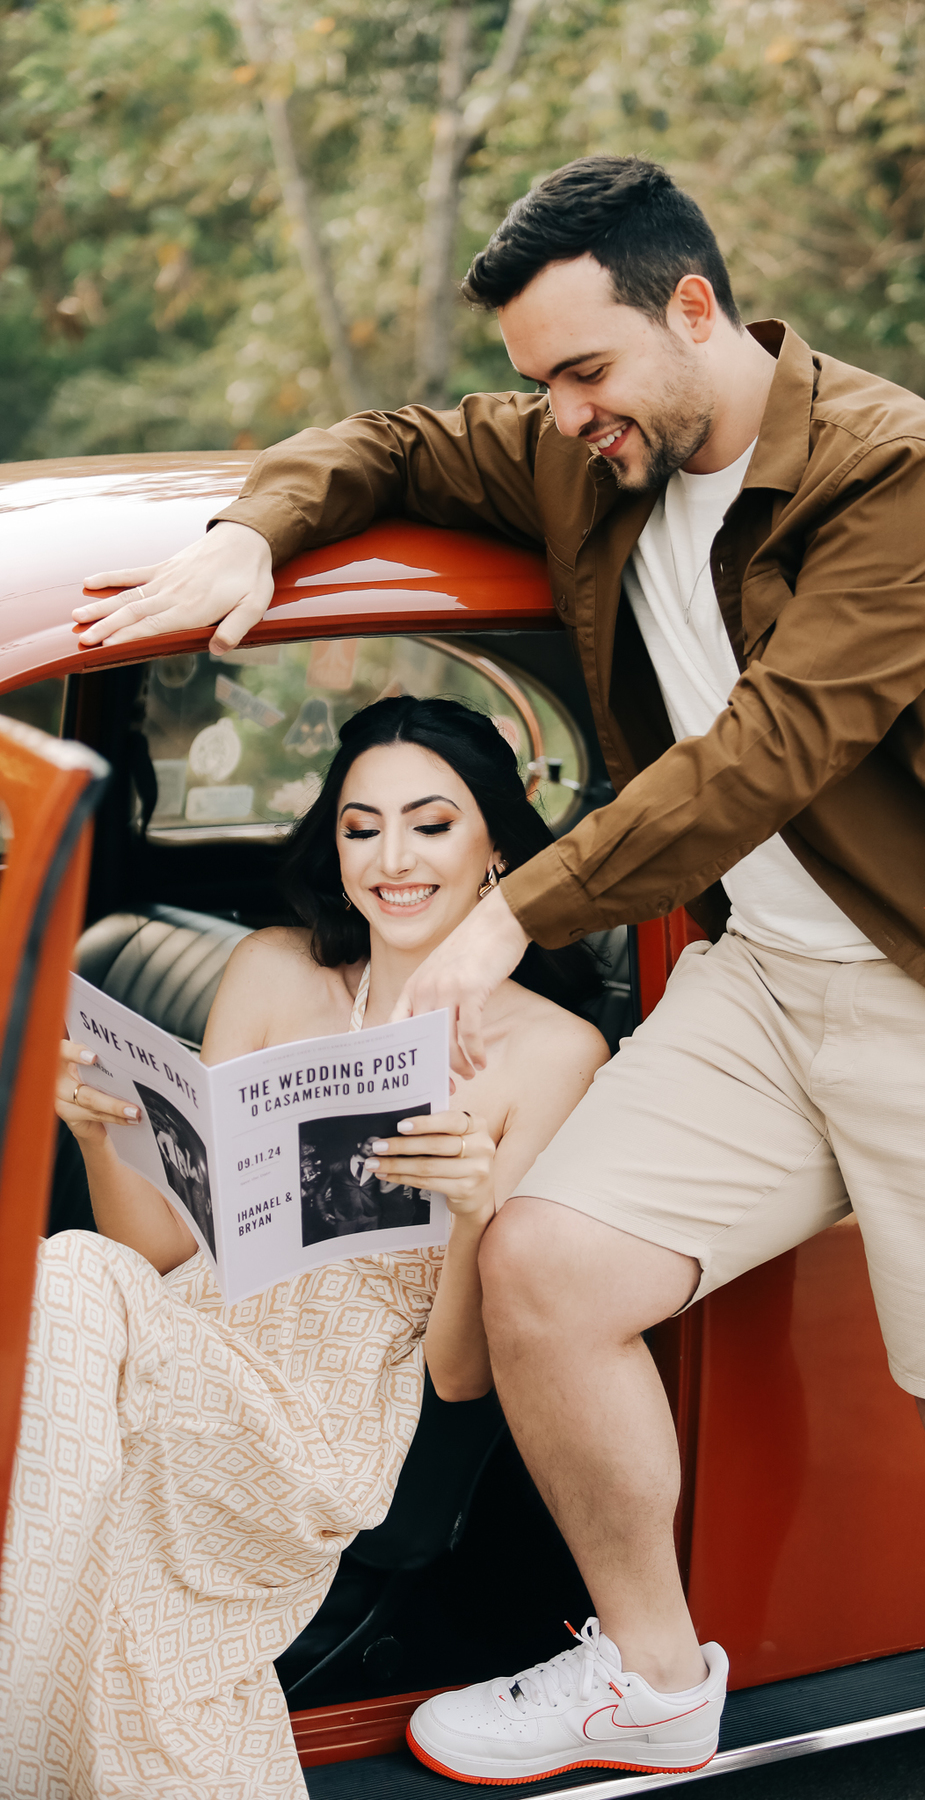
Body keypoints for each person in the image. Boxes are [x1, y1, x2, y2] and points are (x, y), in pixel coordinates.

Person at [73, 155, 925, 1800]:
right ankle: (656, 1680)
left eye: (584, 372)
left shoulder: (897, 471)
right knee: (546, 1272)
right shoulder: (590, 449)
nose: (563, 413)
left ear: (697, 309)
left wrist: (517, 915)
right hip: (768, 986)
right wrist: (247, 539)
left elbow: (771, 753)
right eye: (539, 383)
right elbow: (383, 446)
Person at [0, 696, 608, 1800]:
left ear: (498, 850)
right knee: (81, 1273)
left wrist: (474, 1211)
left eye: (431, 824)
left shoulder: (556, 1050)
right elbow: (171, 1255)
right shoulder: (276, 971)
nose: (393, 857)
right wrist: (101, 1133)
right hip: (185, 1333)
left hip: (321, 1418)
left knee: (73, 1316)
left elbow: (461, 1375)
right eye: (360, 826)